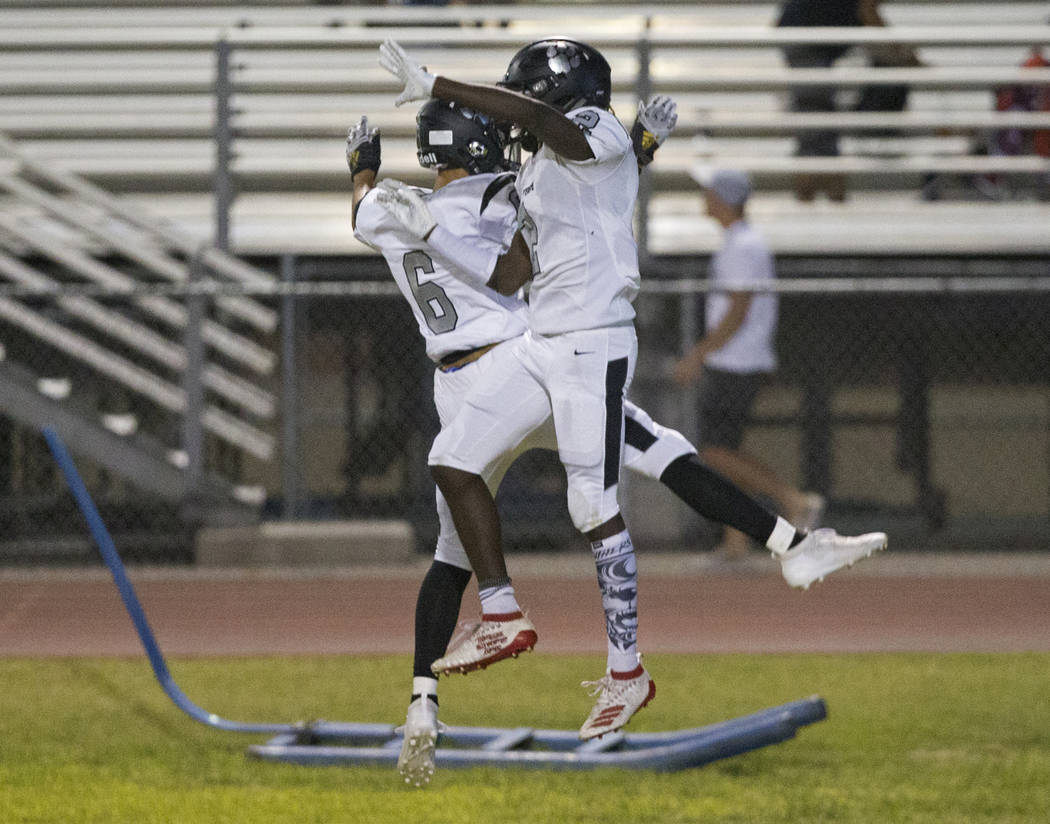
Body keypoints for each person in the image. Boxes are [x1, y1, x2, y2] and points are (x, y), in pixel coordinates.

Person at [672, 168, 825, 561]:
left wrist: (698, 354)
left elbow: (738, 309)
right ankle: (736, 540)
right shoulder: (740, 242)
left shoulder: (743, 245)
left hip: (737, 361)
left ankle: (792, 499)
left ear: (723, 199)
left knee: (714, 452)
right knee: (727, 453)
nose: (704, 197)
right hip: (738, 359)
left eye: (709, 191)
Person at [776, 0, 919, 202]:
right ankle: (821, 190)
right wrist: (906, 57)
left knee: (816, 120)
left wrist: (904, 56)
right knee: (815, 120)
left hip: (810, 39)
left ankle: (822, 189)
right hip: (804, 38)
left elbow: (871, 21)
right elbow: (870, 16)